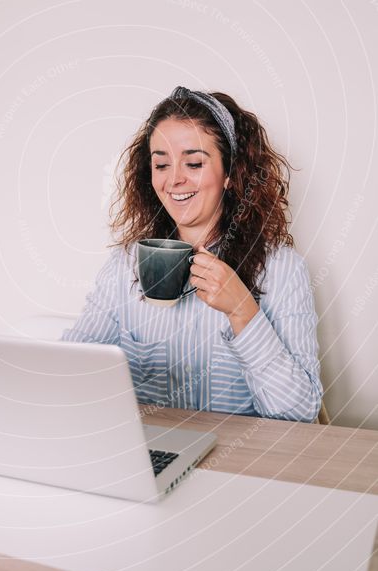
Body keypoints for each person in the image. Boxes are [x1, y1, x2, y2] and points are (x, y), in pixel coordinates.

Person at [61, 86, 323, 422]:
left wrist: (243, 311)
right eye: (161, 165)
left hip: (243, 462)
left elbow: (300, 413)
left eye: (194, 163)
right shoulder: (124, 266)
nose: (174, 180)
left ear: (230, 173)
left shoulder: (282, 270)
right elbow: (70, 368)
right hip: (150, 458)